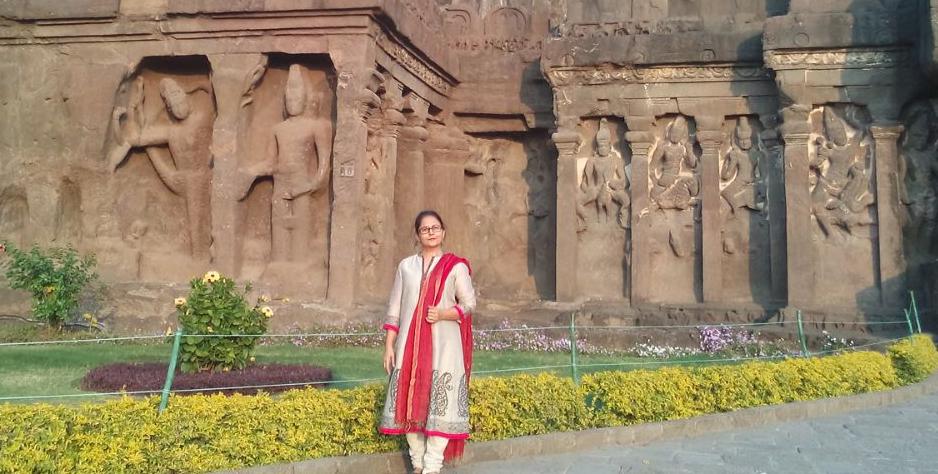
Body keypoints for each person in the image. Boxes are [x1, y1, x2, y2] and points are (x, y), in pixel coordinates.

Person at [379, 210, 477, 474]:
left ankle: (432, 467)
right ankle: (418, 463)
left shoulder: (455, 267)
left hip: (444, 347)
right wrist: (389, 345)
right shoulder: (406, 267)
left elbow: (469, 304)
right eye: (425, 229)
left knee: (439, 406)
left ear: (443, 232)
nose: (431, 232)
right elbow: (395, 308)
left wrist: (444, 313)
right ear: (417, 235)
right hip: (408, 347)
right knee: (409, 404)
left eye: (436, 228)